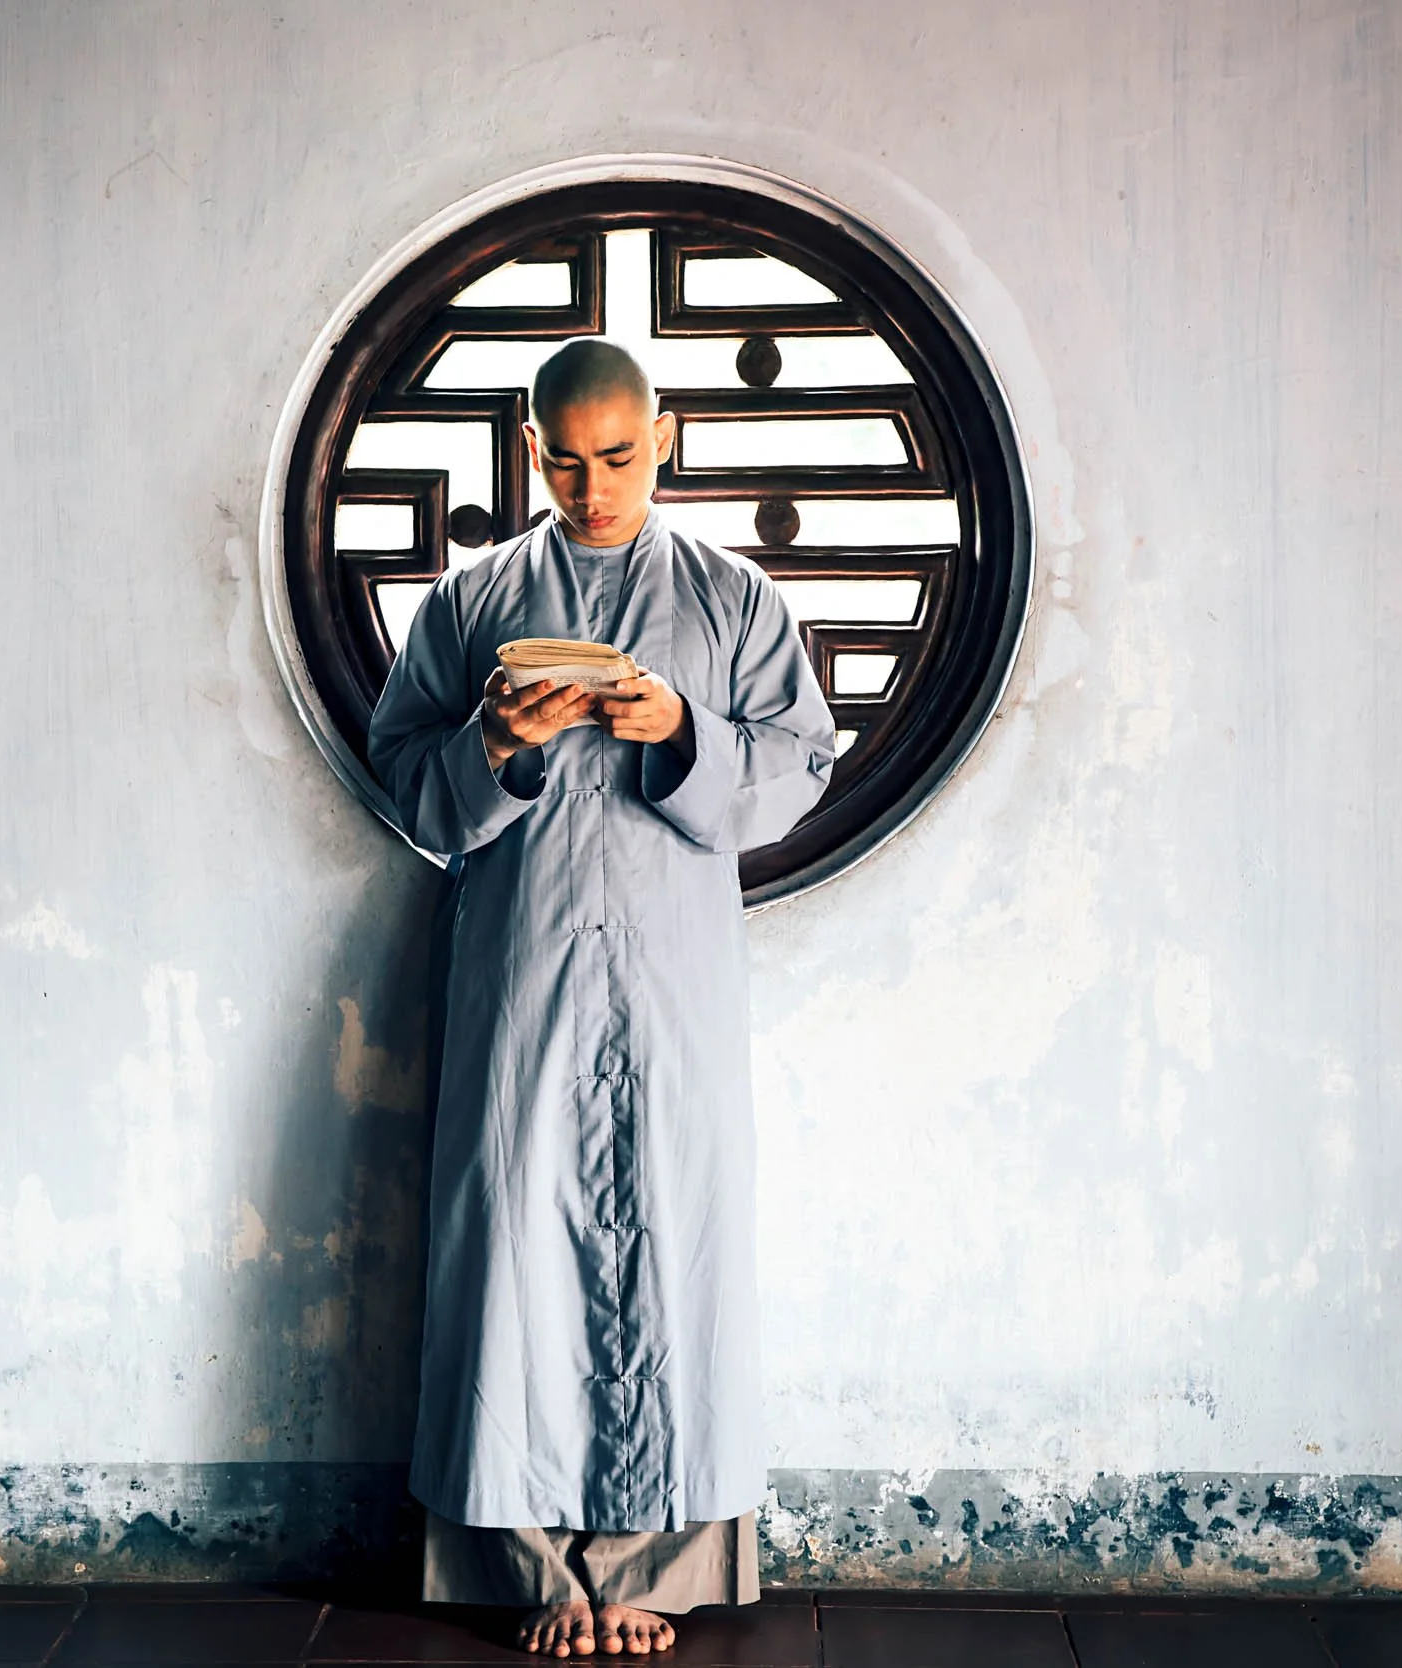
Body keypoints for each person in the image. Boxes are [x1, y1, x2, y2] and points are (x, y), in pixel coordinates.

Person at [367, 339, 836, 1656]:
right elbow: (405, 783)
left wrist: (682, 733)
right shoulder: (471, 601)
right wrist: (497, 744)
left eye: (619, 456)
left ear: (665, 439)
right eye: (565, 460)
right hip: (519, 967)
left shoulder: (734, 599)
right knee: (509, 1243)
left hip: (676, 972)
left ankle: (645, 1573)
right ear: (531, 452)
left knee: (674, 1237)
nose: (592, 484)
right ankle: (531, 1574)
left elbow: (800, 767)